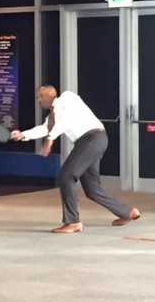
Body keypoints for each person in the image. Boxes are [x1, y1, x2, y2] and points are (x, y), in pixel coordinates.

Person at [10, 85, 140, 233]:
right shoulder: (53, 116)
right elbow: (46, 128)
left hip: (92, 138)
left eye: (40, 96)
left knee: (66, 176)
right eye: (37, 97)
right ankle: (127, 212)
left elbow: (65, 120)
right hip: (91, 142)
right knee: (92, 189)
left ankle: (73, 222)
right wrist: (22, 135)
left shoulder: (68, 98)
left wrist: (50, 139)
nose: (38, 100)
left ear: (50, 94)